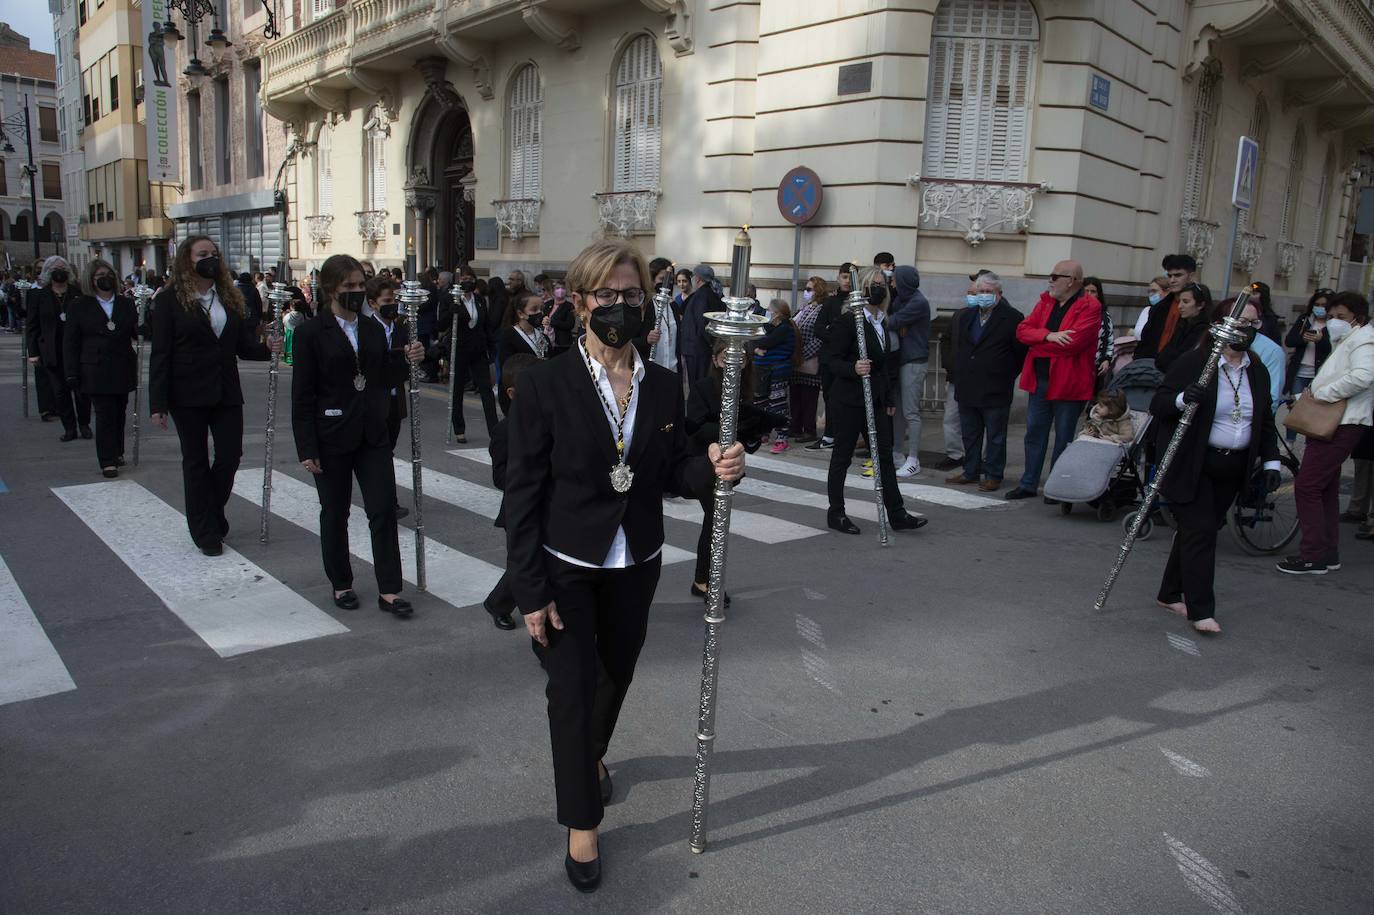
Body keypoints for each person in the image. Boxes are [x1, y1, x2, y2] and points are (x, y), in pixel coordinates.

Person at [502, 239, 745, 892]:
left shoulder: (662, 385)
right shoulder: (545, 383)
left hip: (636, 559)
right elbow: (521, 494)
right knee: (571, 690)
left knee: (614, 676)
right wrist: (530, 590)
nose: (619, 305)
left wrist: (714, 467)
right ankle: (582, 822)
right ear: (581, 302)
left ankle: (591, 757)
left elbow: (671, 471)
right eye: (606, 294)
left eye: (631, 294)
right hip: (565, 562)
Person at [291, 254, 425, 614]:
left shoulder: (371, 329)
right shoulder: (310, 333)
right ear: (330, 288)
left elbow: (382, 376)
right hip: (331, 435)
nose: (357, 291)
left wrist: (408, 358)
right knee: (335, 513)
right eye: (349, 285)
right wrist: (307, 446)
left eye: (360, 285)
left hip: (372, 433)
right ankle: (341, 583)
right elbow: (302, 394)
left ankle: (390, 589)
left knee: (382, 510)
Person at [148, 235, 281, 556]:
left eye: (214, 253)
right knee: (195, 461)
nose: (210, 258)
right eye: (202, 253)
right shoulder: (169, 301)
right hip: (186, 392)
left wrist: (266, 348)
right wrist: (158, 402)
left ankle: (210, 510)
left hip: (226, 390)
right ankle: (205, 530)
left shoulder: (228, 296)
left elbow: (241, 346)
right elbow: (161, 353)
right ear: (187, 260)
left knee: (230, 455)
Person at [1151, 313, 1280, 633]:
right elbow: (1159, 404)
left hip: (1233, 466)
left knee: (1197, 531)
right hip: (1192, 463)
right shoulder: (1195, 362)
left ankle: (1169, 593)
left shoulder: (1257, 369)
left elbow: (1264, 420)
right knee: (1201, 530)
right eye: (1240, 322)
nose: (1245, 330)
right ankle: (1201, 610)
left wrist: (1271, 462)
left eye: (1252, 323)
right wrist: (1182, 399)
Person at [821, 267, 928, 536]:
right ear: (863, 288)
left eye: (883, 284)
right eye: (874, 284)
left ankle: (897, 513)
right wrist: (853, 368)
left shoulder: (883, 321)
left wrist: (888, 397)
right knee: (842, 457)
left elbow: (885, 367)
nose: (879, 289)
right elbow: (832, 360)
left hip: (876, 400)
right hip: (848, 399)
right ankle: (836, 513)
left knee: (883, 457)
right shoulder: (850, 321)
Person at [1279, 291, 1374, 575]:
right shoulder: (1350, 339)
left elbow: (1362, 376)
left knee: (1308, 486)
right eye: (1331, 316)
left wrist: (1321, 394)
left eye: (1340, 316)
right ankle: (1327, 552)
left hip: (1341, 421)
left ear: (1358, 318)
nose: (1333, 321)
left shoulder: (1364, 340)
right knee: (1325, 488)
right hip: (1335, 420)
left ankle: (1313, 555)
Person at [686, 340, 781, 603]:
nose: (733, 363)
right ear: (715, 360)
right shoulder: (703, 387)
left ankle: (704, 580)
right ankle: (706, 581)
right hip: (703, 462)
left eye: (741, 358)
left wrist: (754, 432)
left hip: (728, 465)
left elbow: (747, 439)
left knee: (717, 520)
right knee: (716, 520)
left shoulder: (745, 389)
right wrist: (726, 432)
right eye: (727, 357)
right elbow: (693, 426)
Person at [1005, 261, 1102, 501]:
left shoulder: (1090, 306)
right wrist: (1048, 336)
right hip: (1040, 380)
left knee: (1063, 437)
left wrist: (1038, 343)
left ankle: (1057, 487)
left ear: (1071, 281)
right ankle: (1028, 483)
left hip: (1069, 383)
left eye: (1055, 276)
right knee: (1034, 433)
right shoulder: (1046, 302)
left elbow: (1072, 344)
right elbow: (1022, 331)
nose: (1050, 280)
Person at [949, 272, 1025, 491]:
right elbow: (961, 347)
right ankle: (970, 470)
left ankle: (993, 474)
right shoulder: (967, 316)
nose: (983, 295)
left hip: (995, 386)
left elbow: (1020, 352)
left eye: (988, 292)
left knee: (995, 436)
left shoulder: (1012, 317)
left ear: (998, 294)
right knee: (970, 433)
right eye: (980, 291)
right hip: (968, 385)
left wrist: (1005, 374)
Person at [64, 259, 138, 477]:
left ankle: (117, 450)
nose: (105, 279)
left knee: (119, 411)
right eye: (99, 276)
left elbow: (134, 331)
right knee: (105, 413)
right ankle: (107, 460)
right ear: (91, 280)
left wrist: (143, 326)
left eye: (108, 275)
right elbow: (71, 342)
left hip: (121, 364)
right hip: (95, 367)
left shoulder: (125, 304)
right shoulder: (79, 306)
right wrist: (71, 372)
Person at [482, 353, 541, 631]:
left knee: (542, 559)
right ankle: (498, 603)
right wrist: (529, 477)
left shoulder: (550, 419)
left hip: (549, 504)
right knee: (522, 563)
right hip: (519, 508)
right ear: (512, 394)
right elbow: (499, 476)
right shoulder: (504, 430)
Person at [25, 255, 92, 441]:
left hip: (77, 349)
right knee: (60, 392)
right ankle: (69, 427)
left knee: (81, 391)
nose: (59, 271)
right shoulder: (38, 296)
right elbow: (32, 326)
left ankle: (84, 424)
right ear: (48, 272)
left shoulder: (78, 293)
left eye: (63, 268)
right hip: (52, 350)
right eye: (55, 268)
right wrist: (33, 352)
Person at [438, 273, 498, 442]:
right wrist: (451, 311)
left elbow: (486, 325)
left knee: (486, 391)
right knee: (457, 389)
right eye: (464, 280)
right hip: (459, 350)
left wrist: (492, 348)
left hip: (478, 350)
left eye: (471, 279)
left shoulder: (479, 299)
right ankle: (459, 429)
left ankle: (494, 430)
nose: (468, 283)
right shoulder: (450, 299)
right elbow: (441, 325)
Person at [886, 265, 931, 477]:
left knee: (911, 412)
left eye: (895, 279)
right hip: (901, 360)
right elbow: (895, 321)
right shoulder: (901, 300)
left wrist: (896, 323)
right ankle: (897, 454)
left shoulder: (918, 302)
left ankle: (913, 459)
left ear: (902, 281)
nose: (892, 283)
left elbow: (891, 322)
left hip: (914, 362)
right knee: (898, 412)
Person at [807, 262, 855, 452]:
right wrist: (836, 336)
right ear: (838, 277)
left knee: (846, 399)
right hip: (829, 358)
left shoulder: (858, 301)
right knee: (829, 396)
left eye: (850, 277)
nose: (847, 281)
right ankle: (829, 435)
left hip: (849, 360)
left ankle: (845, 435)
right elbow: (818, 328)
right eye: (844, 277)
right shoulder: (830, 302)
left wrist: (837, 334)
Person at [1283, 289, 1335, 442]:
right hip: (1300, 372)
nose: (1320, 308)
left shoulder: (1334, 324)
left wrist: (1320, 340)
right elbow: (1289, 341)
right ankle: (1289, 441)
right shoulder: (1305, 320)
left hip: (1319, 374)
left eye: (1324, 305)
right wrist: (1303, 338)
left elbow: (1334, 348)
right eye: (1317, 304)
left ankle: (1310, 442)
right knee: (1295, 407)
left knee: (1314, 409)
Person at [753, 299, 798, 453]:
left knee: (777, 404)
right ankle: (763, 432)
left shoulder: (785, 329)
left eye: (769, 310)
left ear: (777, 313)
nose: (767, 312)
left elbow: (765, 342)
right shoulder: (771, 327)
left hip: (777, 371)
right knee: (761, 402)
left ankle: (782, 437)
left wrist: (756, 344)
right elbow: (754, 338)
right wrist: (755, 347)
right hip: (763, 371)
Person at [1135, 254, 1197, 361]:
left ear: (1191, 276)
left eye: (1178, 275)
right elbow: (1145, 342)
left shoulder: (1199, 308)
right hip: (1152, 364)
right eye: (1169, 276)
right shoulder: (1158, 308)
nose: (1172, 280)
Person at [789, 276, 827, 443]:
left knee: (808, 398)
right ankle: (795, 427)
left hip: (809, 360)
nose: (806, 292)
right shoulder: (803, 308)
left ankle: (809, 430)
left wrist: (802, 354)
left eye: (809, 289)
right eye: (806, 289)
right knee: (795, 396)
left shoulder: (821, 310)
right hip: (796, 360)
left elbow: (820, 338)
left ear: (818, 290)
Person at [1156, 282, 1215, 373]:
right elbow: (1166, 352)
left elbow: (1184, 358)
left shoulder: (1204, 330)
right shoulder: (1183, 324)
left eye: (1186, 302)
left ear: (1200, 305)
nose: (1180, 306)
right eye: (1180, 301)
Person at [679, 264, 721, 381]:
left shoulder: (702, 296)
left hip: (698, 350)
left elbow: (703, 323)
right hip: (698, 349)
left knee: (697, 383)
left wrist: (712, 344)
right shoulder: (708, 294)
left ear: (698, 279)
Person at [1083, 276, 1115, 383]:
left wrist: (1107, 360)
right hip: (1079, 365)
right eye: (1086, 291)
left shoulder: (1104, 316)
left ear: (1098, 294)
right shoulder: (1075, 313)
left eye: (1093, 291)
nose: (1089, 294)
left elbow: (1109, 340)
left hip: (1097, 366)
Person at [545, 279, 577, 357]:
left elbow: (570, 325)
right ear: (553, 291)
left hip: (562, 343)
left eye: (563, 288)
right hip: (547, 340)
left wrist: (552, 322)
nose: (560, 290)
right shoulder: (547, 304)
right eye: (557, 288)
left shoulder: (569, 306)